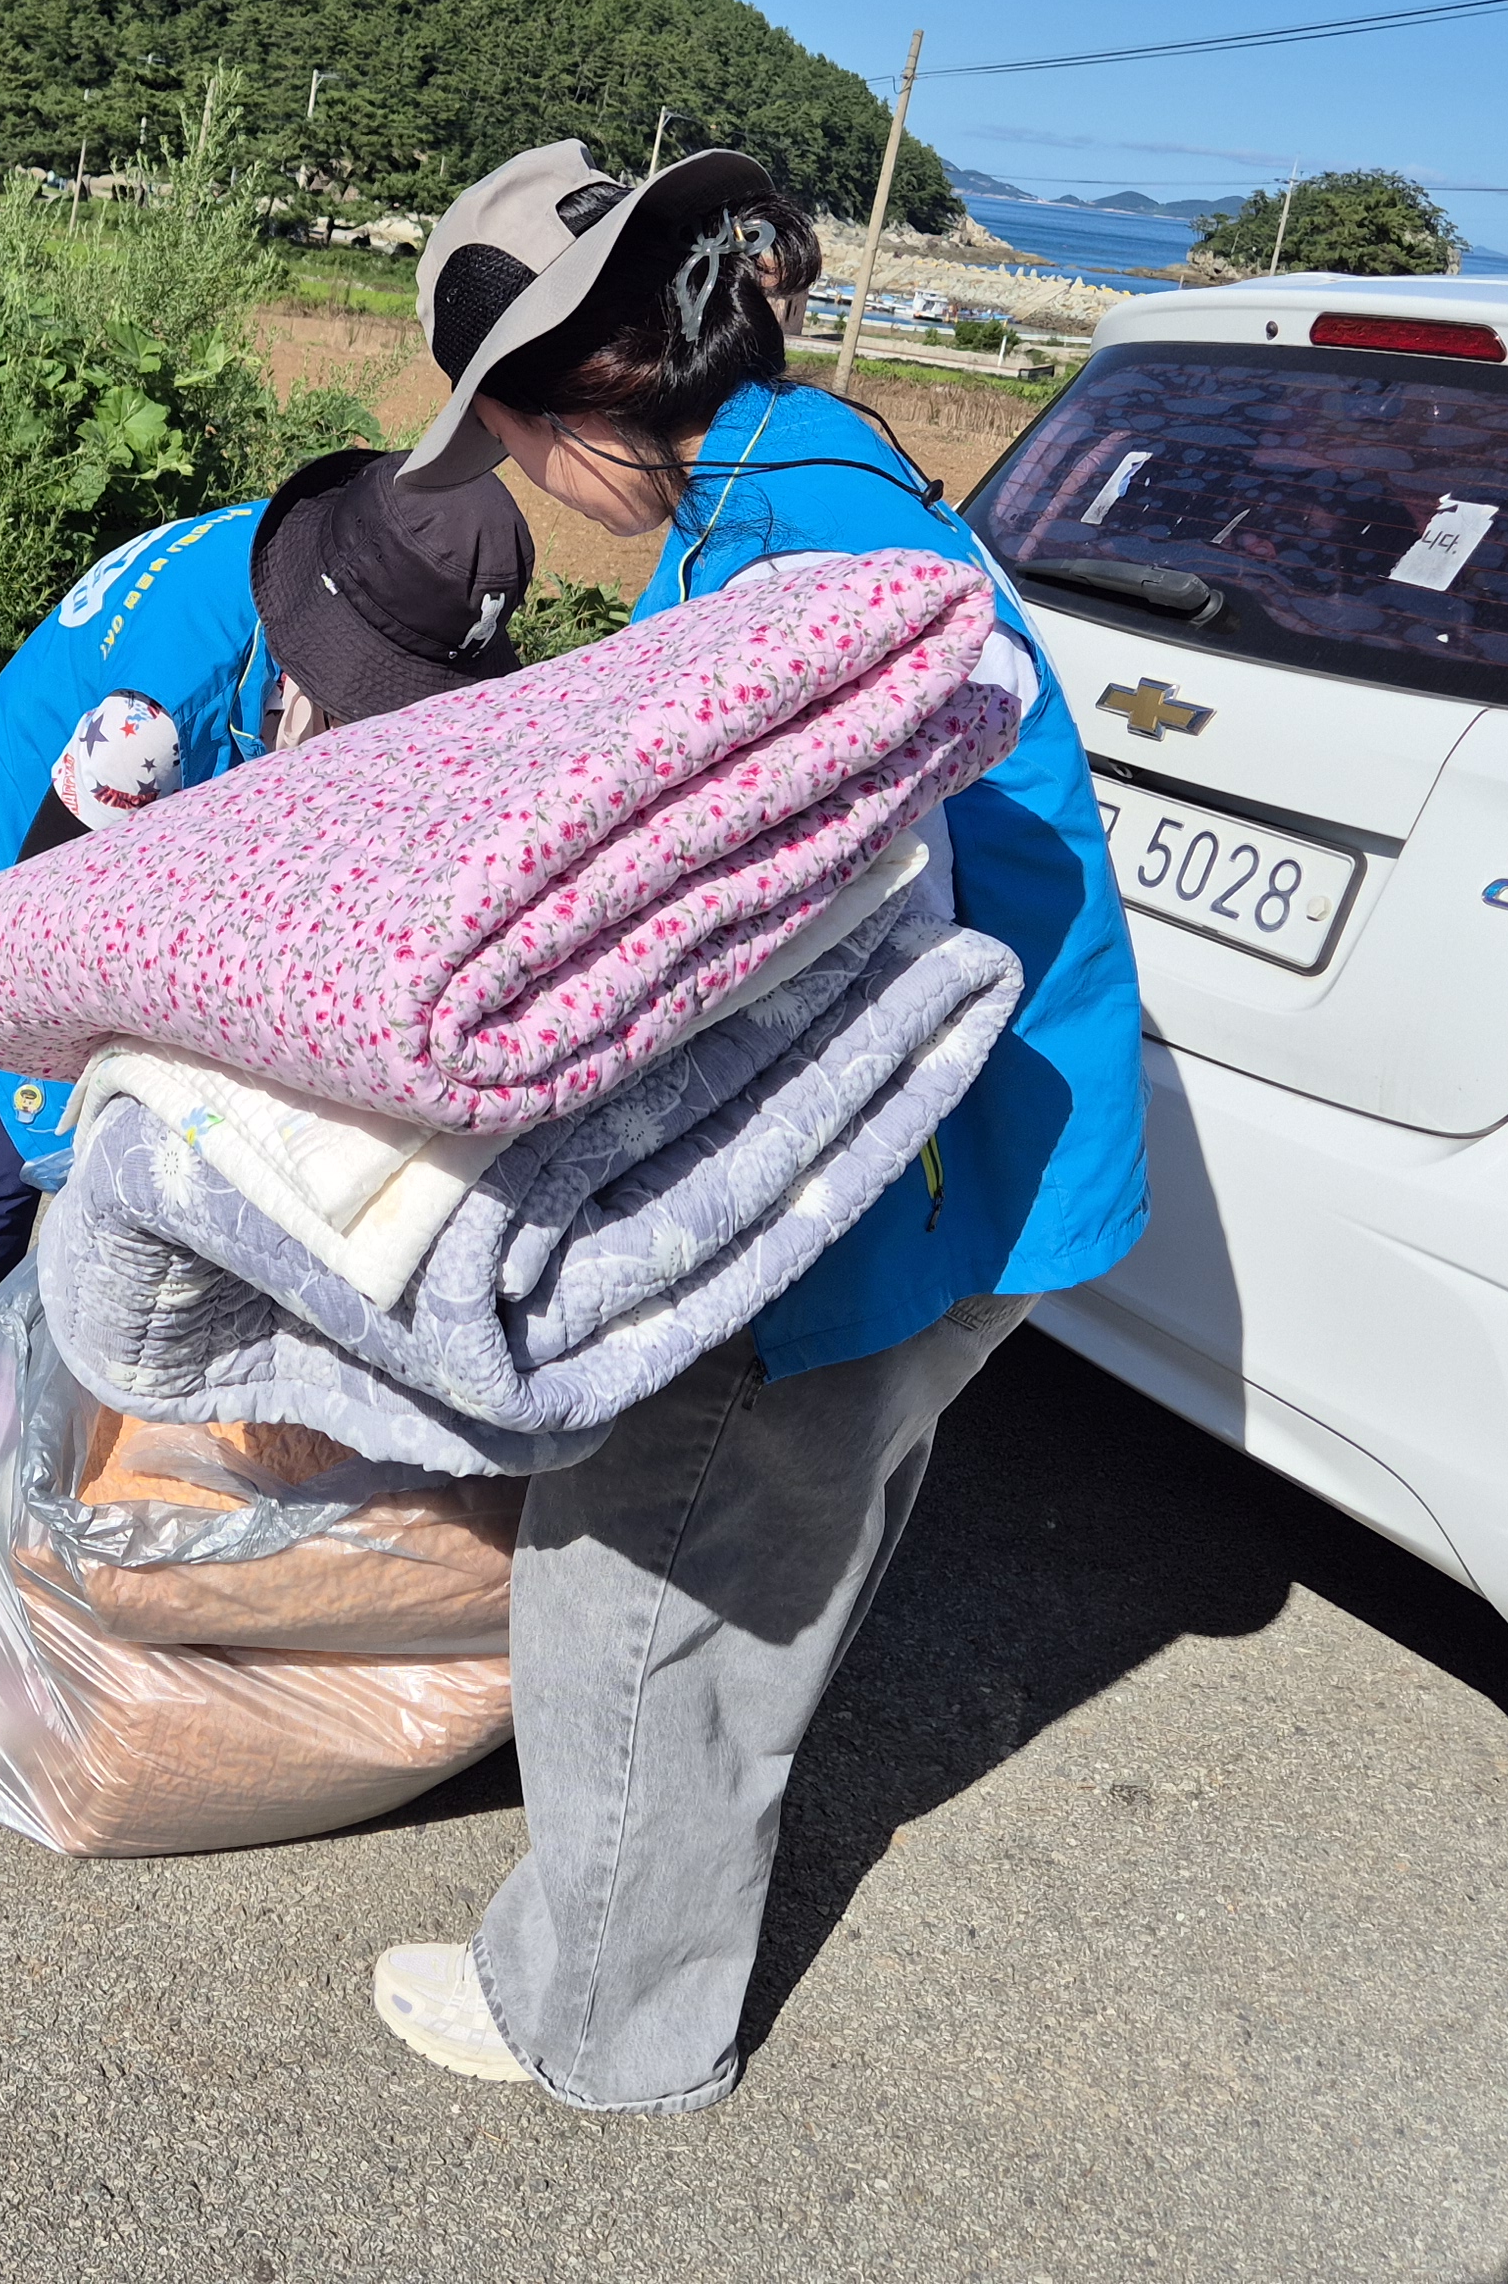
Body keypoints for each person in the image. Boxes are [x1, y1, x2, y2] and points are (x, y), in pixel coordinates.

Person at [358, 138, 1150, 2113]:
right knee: (762, 1568)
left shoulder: (778, 565)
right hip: (992, 1144)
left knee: (643, 1584)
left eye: (509, 438)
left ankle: (603, 2023)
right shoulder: (811, 473)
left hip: (860, 1181)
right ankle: (648, 1943)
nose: (530, 485)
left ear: (571, 397)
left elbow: (768, 949)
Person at [0, 443, 539, 1383]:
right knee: (15, 1141)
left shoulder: (329, 551)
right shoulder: (146, 725)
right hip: (30, 835)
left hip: (142, 800)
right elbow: (38, 916)